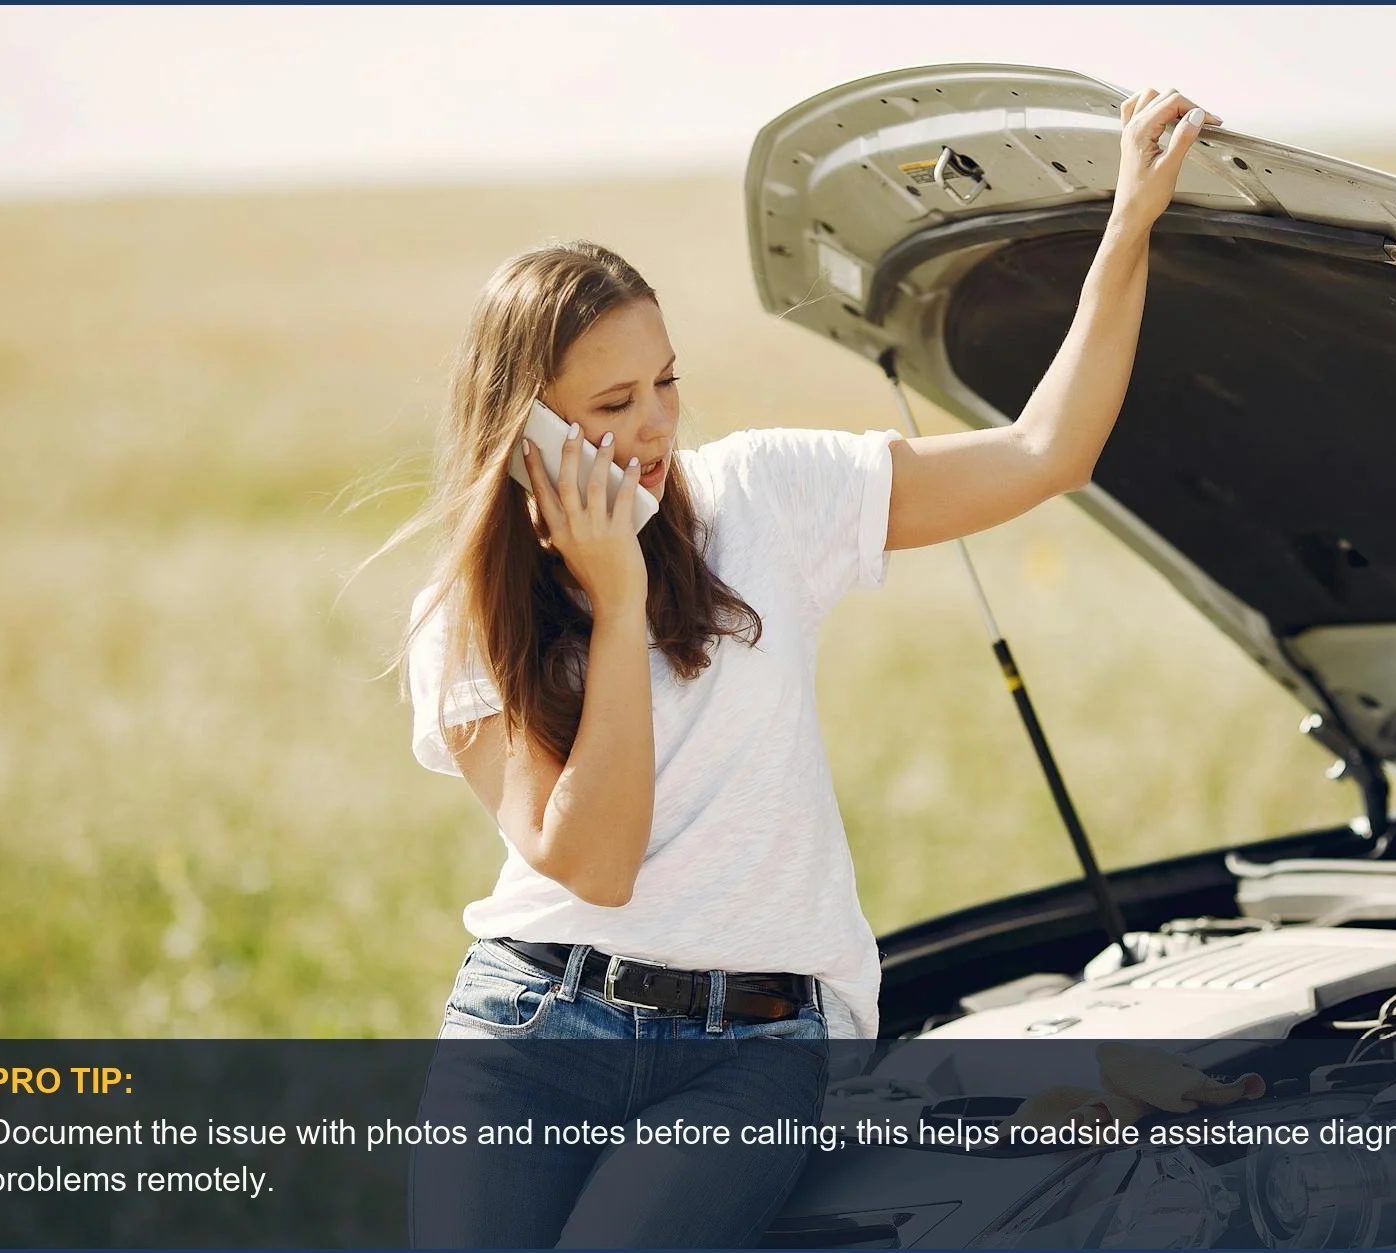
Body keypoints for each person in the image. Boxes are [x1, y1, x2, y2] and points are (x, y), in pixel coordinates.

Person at [400, 87, 1211, 1249]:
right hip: (532, 1020)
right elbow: (594, 856)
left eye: (664, 383)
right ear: (523, 430)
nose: (652, 426)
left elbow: (1045, 451)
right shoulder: (465, 615)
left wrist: (1128, 221)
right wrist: (617, 602)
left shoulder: (762, 497)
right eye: (610, 404)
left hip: (753, 1054)